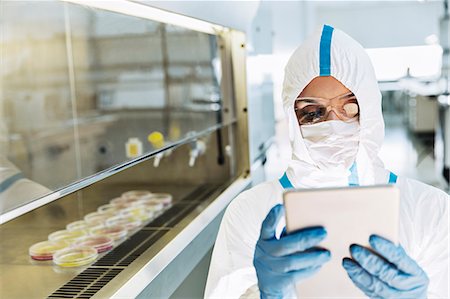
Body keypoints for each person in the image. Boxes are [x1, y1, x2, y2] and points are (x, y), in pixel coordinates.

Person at [204, 25, 449, 298]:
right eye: (313, 113)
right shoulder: (250, 213)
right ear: (292, 119)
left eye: (350, 107)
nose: (333, 125)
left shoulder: (431, 210)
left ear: (369, 108)